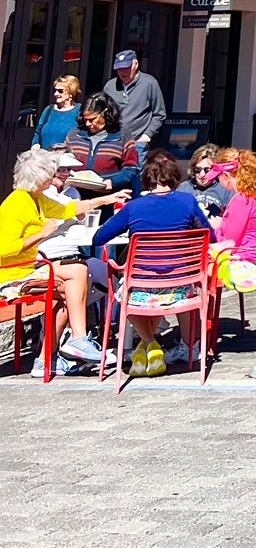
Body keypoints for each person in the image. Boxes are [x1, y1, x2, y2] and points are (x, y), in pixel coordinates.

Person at [91, 152, 211, 378]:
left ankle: (149, 342)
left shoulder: (134, 207)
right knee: (156, 287)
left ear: (147, 182)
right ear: (174, 179)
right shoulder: (187, 202)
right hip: (180, 286)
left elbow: (99, 239)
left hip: (140, 288)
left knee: (122, 290)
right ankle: (152, 345)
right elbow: (209, 236)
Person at [0, 147, 107, 373]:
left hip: (28, 267)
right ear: (38, 178)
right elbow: (4, 249)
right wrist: (41, 234)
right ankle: (55, 353)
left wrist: (105, 199)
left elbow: (65, 209)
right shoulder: (18, 202)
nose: (53, 178)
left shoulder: (35, 198)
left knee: (76, 274)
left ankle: (58, 351)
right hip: (11, 271)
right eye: (50, 174)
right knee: (74, 279)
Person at [210, 150, 256, 299]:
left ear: (226, 176)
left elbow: (230, 242)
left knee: (195, 269)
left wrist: (217, 226)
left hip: (245, 267)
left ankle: (202, 320)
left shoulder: (241, 199)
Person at [63, 93, 140, 192]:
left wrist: (113, 182)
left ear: (106, 114)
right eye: (85, 119)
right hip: (76, 194)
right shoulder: (74, 135)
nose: (88, 124)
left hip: (110, 195)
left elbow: (131, 167)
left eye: (92, 119)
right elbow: (63, 161)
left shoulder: (123, 136)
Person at [103, 49, 167, 154]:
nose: (123, 72)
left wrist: (146, 136)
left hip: (137, 142)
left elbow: (159, 114)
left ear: (136, 64)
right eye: (119, 69)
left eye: (126, 68)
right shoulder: (110, 86)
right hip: (113, 141)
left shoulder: (149, 83)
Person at [180, 145, 234, 218]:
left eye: (207, 170)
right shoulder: (183, 188)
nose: (202, 175)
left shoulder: (225, 189)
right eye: (198, 170)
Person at [33, 75, 82, 150]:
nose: (56, 94)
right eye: (55, 90)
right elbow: (37, 133)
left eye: (60, 91)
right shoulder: (49, 110)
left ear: (71, 93)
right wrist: (35, 144)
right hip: (45, 157)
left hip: (66, 158)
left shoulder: (79, 110)